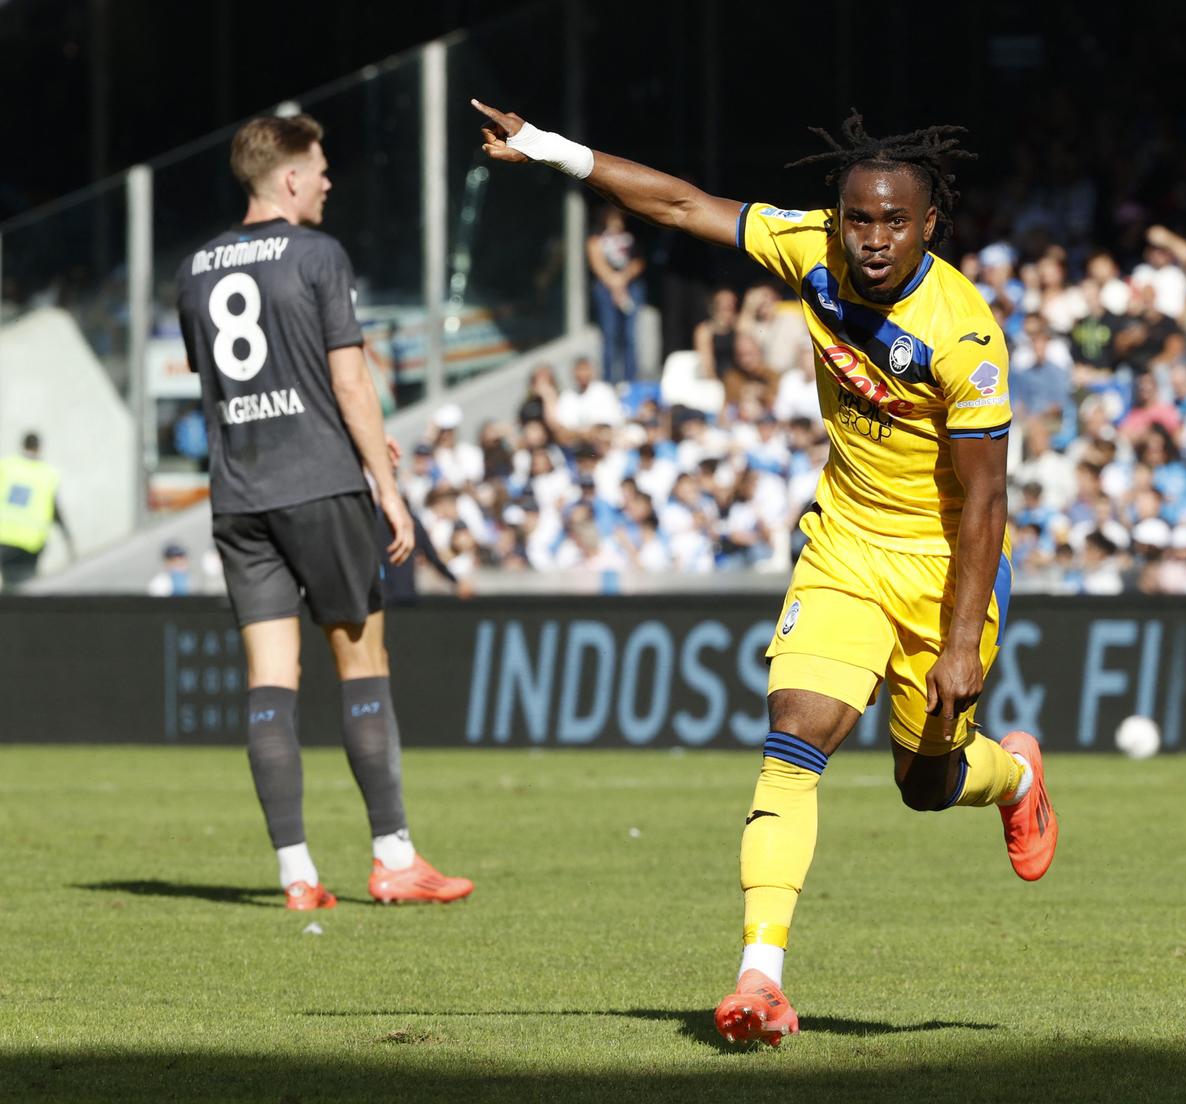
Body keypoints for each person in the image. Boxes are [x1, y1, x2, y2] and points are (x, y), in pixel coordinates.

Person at [476, 99, 1058, 1045]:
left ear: (929, 225)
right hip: (844, 546)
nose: (871, 241)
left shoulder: (966, 334)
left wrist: (959, 644)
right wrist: (548, 148)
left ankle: (1013, 778)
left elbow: (986, 505)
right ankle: (760, 976)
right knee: (795, 740)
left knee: (926, 783)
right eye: (858, 220)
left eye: (894, 223)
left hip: (943, 567)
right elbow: (678, 205)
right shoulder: (809, 250)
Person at [174, 114, 472, 911]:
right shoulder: (317, 254)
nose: (331, 181)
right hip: (321, 485)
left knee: (270, 681)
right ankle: (393, 858)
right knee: (362, 664)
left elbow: (219, 380)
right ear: (291, 178)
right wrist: (386, 481)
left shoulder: (196, 267)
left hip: (239, 496)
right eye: (323, 168)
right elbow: (348, 381)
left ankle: (296, 874)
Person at [0, 432, 74, 589]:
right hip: (31, 541)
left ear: (22, 445)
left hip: (4, 537)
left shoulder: (6, 466)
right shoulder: (47, 473)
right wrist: (67, 535)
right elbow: (55, 508)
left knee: (9, 582)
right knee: (24, 584)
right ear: (39, 448)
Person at [587, 204, 646, 384]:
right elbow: (597, 264)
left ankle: (630, 379)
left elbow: (638, 262)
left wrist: (623, 280)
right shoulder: (596, 240)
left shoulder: (631, 239)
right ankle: (609, 380)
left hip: (630, 287)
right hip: (606, 288)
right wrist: (615, 284)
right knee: (610, 334)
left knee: (630, 335)